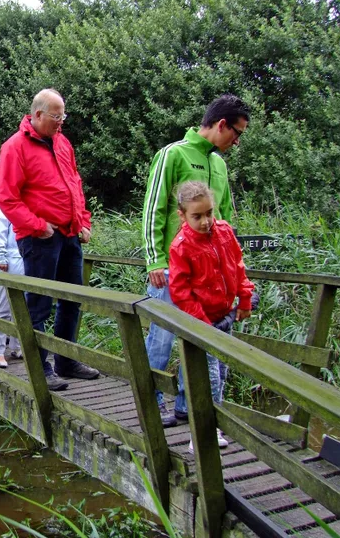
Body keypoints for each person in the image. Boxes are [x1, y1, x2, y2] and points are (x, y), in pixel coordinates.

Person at [141, 94, 250, 426]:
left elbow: (224, 220)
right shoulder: (173, 154)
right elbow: (154, 207)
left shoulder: (219, 165)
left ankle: (186, 405)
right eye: (237, 133)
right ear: (221, 124)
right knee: (162, 338)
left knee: (200, 340)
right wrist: (154, 260)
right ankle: (151, 403)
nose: (237, 141)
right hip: (169, 268)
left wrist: (233, 272)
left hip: (205, 276)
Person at [0, 88, 99, 391]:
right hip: (39, 237)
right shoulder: (15, 147)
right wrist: (38, 226)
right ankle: (40, 368)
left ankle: (65, 361)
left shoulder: (63, 143)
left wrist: (83, 221)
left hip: (69, 234)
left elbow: (75, 184)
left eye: (63, 115)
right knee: (39, 304)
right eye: (57, 116)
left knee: (72, 300)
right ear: (38, 114)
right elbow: (7, 198)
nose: (61, 121)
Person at [168, 181, 255, 451]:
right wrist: (204, 326)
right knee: (210, 379)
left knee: (222, 373)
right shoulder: (181, 246)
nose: (205, 221)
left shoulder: (224, 231)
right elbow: (180, 292)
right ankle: (201, 434)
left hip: (224, 317)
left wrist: (245, 298)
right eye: (197, 216)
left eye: (209, 213)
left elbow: (237, 266)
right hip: (202, 323)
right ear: (182, 215)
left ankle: (214, 426)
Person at [0, 203, 24, 368]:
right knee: (3, 307)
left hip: (25, 260)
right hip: (8, 261)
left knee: (22, 307)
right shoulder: (4, 200)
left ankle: (17, 346)